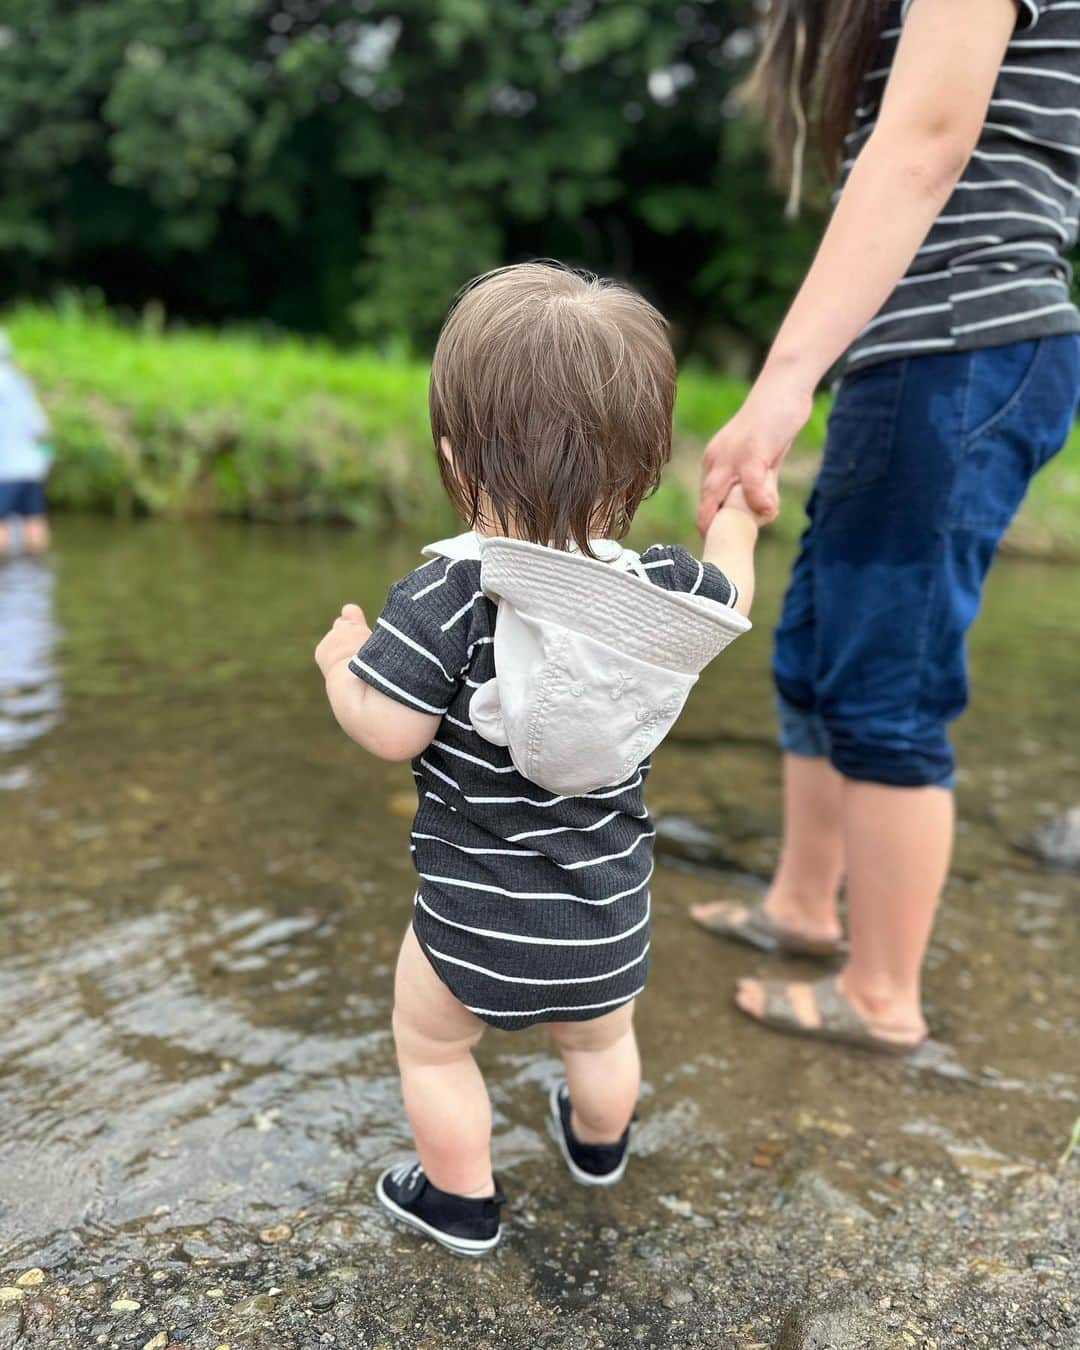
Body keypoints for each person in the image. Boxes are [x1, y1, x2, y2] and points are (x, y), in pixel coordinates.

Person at [314, 263, 773, 1256]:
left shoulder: (444, 596)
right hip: (604, 922)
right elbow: (735, 593)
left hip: (468, 923)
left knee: (433, 1049)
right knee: (604, 1041)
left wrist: (341, 666)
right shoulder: (663, 593)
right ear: (641, 471)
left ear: (453, 456)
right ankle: (599, 1148)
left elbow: (390, 730)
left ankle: (461, 1201)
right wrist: (738, 513)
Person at [691, 0, 1080, 1052]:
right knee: (815, 649)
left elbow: (923, 146)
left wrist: (780, 385)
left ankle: (882, 995)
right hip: (917, 354)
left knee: (888, 685)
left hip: (962, 345)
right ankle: (804, 909)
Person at [0, 330, 52, 557]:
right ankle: (37, 568)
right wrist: (44, 458)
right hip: (31, 469)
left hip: (6, 471)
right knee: (34, 521)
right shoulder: (20, 382)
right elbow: (41, 427)